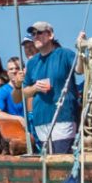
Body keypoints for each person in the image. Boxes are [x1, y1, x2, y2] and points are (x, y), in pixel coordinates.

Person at [22, 21, 77, 155]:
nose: (35, 36)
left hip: (63, 117)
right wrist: (35, 88)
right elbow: (25, 91)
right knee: (47, 164)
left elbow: (80, 69)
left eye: (39, 33)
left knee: (61, 160)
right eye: (33, 34)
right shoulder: (32, 63)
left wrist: (80, 50)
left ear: (50, 35)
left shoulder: (65, 54)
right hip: (41, 120)